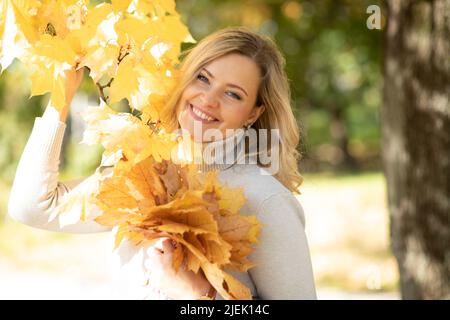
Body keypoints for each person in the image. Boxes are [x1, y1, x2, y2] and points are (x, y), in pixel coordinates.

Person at [8, 26, 317, 300]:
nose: (208, 100)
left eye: (233, 95)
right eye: (202, 78)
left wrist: (198, 293)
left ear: (252, 113)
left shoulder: (264, 199)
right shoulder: (144, 170)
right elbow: (34, 207)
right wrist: (61, 98)